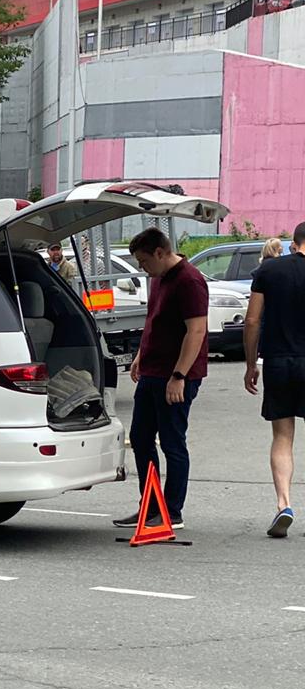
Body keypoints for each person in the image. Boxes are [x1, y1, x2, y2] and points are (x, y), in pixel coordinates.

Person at [113, 227, 208, 531]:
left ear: (160, 252)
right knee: (141, 438)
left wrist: (179, 375)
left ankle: (172, 511)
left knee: (172, 442)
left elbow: (196, 331)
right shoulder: (158, 279)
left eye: (143, 261)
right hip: (152, 372)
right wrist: (142, 354)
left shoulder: (189, 280)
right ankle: (150, 505)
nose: (142, 268)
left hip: (176, 376)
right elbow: (153, 319)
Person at [242, 221, 305, 537]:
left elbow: (252, 320)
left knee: (282, 436)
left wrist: (251, 364)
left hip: (279, 362)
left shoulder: (269, 271)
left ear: (295, 243)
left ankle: (284, 505)